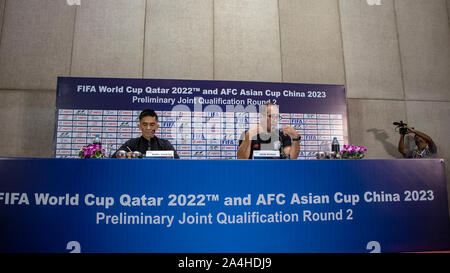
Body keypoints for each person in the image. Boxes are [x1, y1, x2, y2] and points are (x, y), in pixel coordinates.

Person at [112, 109, 179, 159]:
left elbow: (177, 163)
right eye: (145, 124)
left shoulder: (165, 145)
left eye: (152, 124)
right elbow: (113, 159)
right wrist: (126, 156)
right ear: (139, 126)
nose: (148, 128)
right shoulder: (130, 144)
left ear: (157, 126)